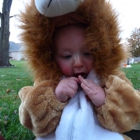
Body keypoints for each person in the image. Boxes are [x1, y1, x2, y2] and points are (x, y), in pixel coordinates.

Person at [18, 0, 140, 140]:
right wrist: (55, 97)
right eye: (67, 56)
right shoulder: (48, 82)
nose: (78, 63)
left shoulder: (110, 80)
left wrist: (103, 100)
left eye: (87, 53)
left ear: (100, 50)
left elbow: (131, 115)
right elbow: (31, 121)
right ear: (51, 57)